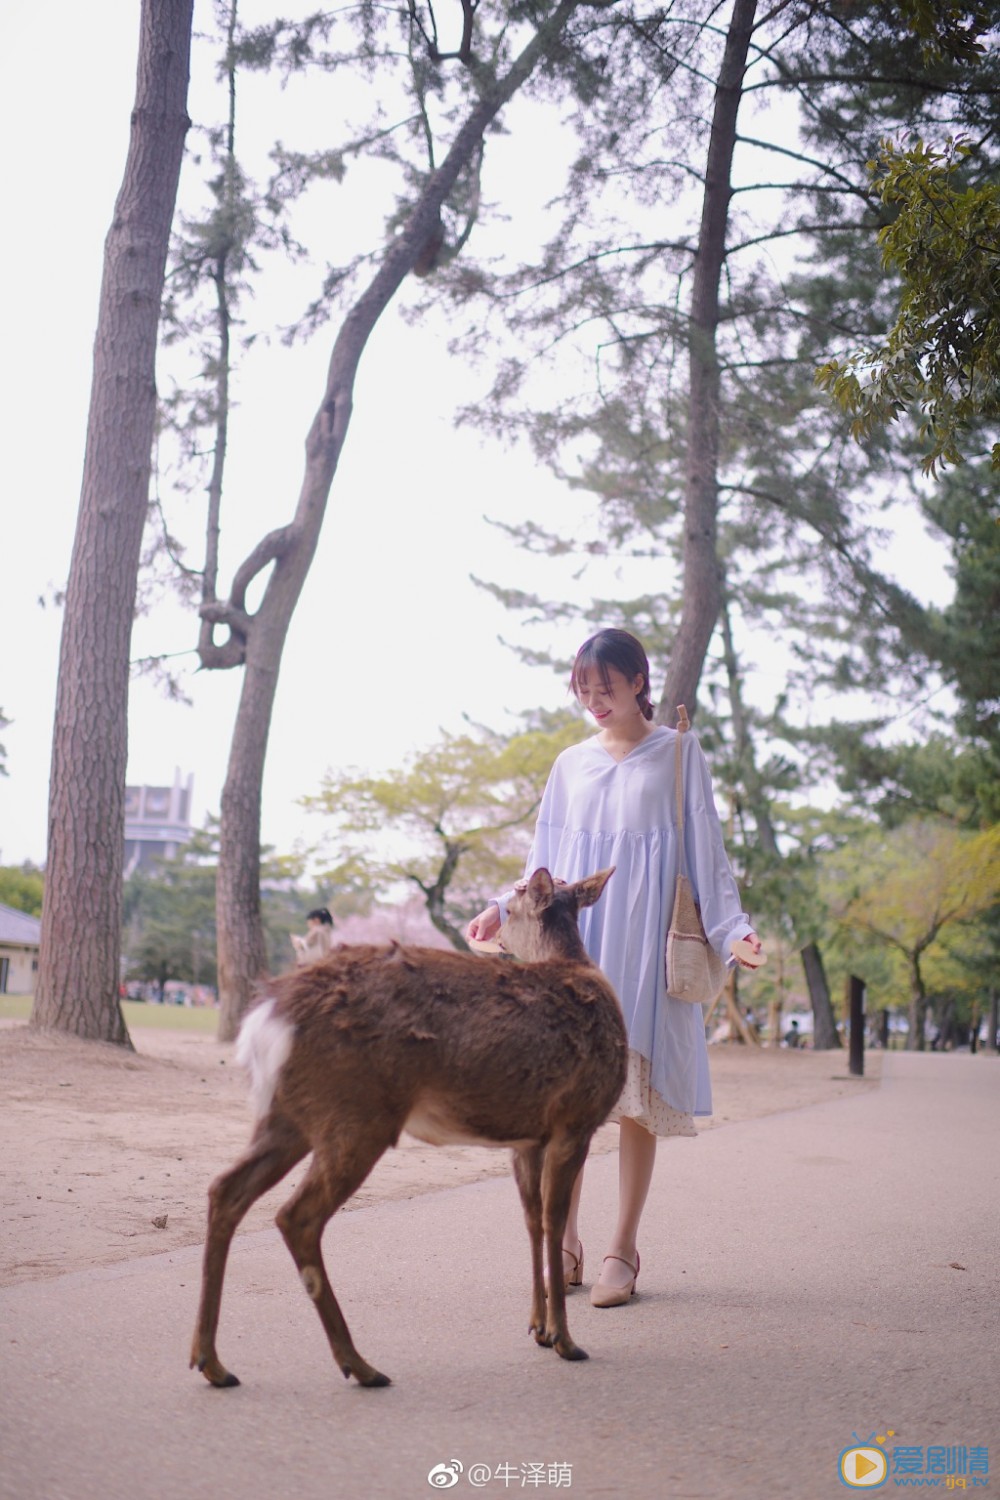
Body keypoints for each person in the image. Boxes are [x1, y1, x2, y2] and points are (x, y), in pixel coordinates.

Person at [467, 628, 762, 1308]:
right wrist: (497, 910)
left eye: (607, 688)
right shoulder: (569, 764)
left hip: (646, 938)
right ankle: (564, 1242)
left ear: (639, 681)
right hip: (581, 943)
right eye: (584, 691)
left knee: (633, 1095)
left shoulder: (680, 753)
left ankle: (621, 1249)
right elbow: (539, 860)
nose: (595, 702)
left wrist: (733, 929)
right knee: (568, 1096)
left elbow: (705, 856)